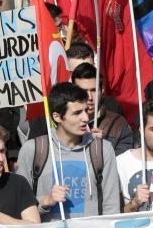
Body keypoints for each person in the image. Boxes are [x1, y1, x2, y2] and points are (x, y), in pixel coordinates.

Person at [15, 82, 121, 220]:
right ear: (57, 117)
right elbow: (19, 206)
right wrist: (45, 201)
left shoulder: (102, 149)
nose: (85, 118)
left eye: (85, 110)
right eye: (77, 113)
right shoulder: (33, 149)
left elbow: (111, 208)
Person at [70, 63, 135, 155]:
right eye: (83, 91)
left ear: (102, 90)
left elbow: (122, 165)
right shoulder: (64, 124)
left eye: (94, 90)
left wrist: (103, 149)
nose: (90, 97)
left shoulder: (118, 124)